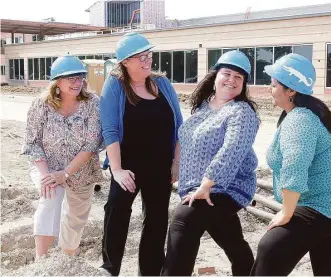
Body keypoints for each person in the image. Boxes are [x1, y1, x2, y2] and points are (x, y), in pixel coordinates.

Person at [250, 53, 331, 276]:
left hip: (325, 203)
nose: (269, 89)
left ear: (291, 91)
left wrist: (287, 212)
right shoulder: (302, 113)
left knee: (271, 248)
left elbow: (294, 167)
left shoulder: (300, 120)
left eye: (273, 85)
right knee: (329, 264)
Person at [161, 50, 260, 276]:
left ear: (243, 84)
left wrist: (207, 185)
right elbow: (186, 139)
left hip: (226, 188)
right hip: (198, 188)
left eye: (239, 77)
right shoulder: (203, 107)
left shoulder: (241, 111)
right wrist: (177, 164)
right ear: (215, 76)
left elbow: (232, 150)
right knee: (232, 240)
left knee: (183, 222)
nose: (232, 80)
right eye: (227, 74)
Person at [99, 32, 183, 276]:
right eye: (140, 57)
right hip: (128, 165)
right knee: (116, 209)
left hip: (161, 165)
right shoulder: (115, 84)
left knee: (156, 221)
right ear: (125, 62)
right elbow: (110, 129)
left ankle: (150, 271)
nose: (147, 61)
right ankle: (109, 268)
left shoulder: (163, 84)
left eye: (149, 55)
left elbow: (179, 125)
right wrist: (116, 170)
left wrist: (176, 162)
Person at [21, 55, 103, 259]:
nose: (77, 83)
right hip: (47, 165)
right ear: (57, 81)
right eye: (71, 78)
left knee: (76, 216)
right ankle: (42, 259)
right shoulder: (41, 105)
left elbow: (91, 144)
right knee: (50, 195)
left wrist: (66, 173)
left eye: (80, 77)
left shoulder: (93, 104)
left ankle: (68, 258)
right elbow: (32, 142)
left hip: (82, 169)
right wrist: (47, 175)